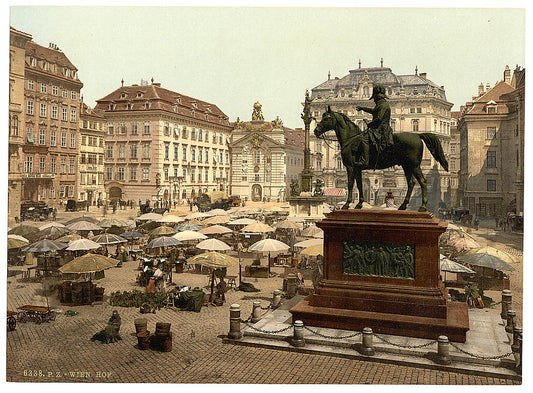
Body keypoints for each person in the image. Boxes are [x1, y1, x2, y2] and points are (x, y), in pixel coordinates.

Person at [355, 84, 394, 167]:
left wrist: (370, 124)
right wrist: (363, 108)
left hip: (381, 129)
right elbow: (374, 111)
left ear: (378, 97)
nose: (374, 100)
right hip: (379, 128)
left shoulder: (383, 105)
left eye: (374, 98)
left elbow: (379, 118)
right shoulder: (381, 104)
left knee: (364, 139)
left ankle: (365, 161)